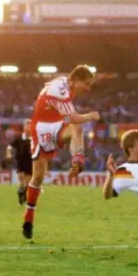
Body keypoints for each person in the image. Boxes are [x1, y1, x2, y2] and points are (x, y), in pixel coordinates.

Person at [22, 65, 100, 239]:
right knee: (38, 176)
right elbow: (73, 117)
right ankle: (28, 217)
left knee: (76, 129)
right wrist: (90, 115)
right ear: (76, 80)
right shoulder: (60, 90)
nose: (88, 88)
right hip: (40, 128)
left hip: (55, 124)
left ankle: (77, 161)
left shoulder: (67, 85)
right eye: (87, 84)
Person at [6, 119, 33, 205]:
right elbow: (9, 147)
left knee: (28, 182)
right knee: (21, 180)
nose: (28, 127)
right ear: (24, 127)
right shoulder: (19, 138)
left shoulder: (34, 138)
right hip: (20, 162)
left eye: (30, 125)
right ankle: (20, 199)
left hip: (31, 162)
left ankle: (23, 194)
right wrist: (8, 154)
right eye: (26, 125)